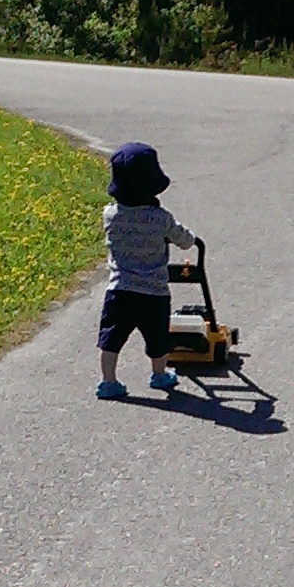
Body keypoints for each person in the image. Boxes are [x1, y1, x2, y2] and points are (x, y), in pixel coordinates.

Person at [96, 142, 198, 399]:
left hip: (119, 290)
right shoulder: (160, 218)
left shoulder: (110, 215)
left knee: (111, 339)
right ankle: (159, 375)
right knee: (157, 338)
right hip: (154, 292)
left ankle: (108, 381)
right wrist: (191, 239)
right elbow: (183, 240)